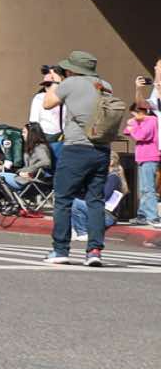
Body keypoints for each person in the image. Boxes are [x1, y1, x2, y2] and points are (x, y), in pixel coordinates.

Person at [39, 50, 113, 267]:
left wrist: (55, 83)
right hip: (101, 150)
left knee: (63, 199)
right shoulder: (105, 85)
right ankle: (94, 251)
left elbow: (47, 103)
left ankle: (60, 249)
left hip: (76, 149)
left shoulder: (69, 84)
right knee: (95, 200)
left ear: (72, 70)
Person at [125, 98, 159, 228]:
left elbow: (142, 136)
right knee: (143, 188)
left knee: (148, 188)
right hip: (142, 157)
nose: (133, 117)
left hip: (149, 156)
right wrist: (133, 124)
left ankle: (153, 216)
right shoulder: (141, 122)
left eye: (134, 114)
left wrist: (132, 125)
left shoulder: (151, 120)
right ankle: (142, 215)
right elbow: (127, 131)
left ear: (140, 111)